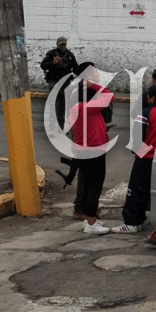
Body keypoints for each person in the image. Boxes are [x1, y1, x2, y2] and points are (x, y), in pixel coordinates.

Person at [109, 85, 156, 234]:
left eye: (148, 95)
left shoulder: (145, 114)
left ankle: (132, 222)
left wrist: (139, 152)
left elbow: (137, 140)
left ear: (153, 98)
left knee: (136, 190)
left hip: (145, 159)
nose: (146, 97)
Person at [69, 62, 113, 235]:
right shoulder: (86, 108)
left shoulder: (79, 107)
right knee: (94, 187)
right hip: (93, 151)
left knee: (89, 186)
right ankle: (91, 223)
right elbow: (109, 96)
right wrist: (93, 85)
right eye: (95, 73)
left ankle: (90, 218)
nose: (98, 75)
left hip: (86, 150)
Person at [41, 36, 78, 129]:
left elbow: (76, 68)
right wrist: (53, 62)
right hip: (54, 80)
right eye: (61, 44)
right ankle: (52, 126)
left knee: (63, 105)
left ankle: (61, 126)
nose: (63, 46)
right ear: (57, 44)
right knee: (53, 104)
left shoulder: (70, 55)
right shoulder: (51, 54)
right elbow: (43, 65)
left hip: (65, 82)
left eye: (64, 44)